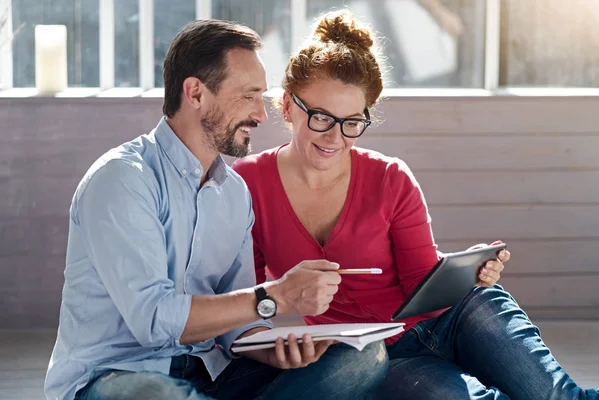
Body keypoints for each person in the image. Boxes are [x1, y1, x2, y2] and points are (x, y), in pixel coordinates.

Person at [232, 10, 599, 400]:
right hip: (379, 356)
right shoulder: (249, 183)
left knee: (558, 397)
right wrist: (272, 340)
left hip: (459, 317)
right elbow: (251, 297)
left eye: (352, 122)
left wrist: (463, 273)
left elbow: (420, 278)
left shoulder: (391, 177)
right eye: (321, 117)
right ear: (288, 106)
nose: (335, 137)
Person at [44, 19, 388, 400]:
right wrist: (277, 295)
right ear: (195, 93)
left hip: (210, 374)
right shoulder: (123, 179)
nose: (261, 114)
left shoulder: (233, 193)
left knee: (361, 357)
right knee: (154, 393)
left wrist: (276, 349)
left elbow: (236, 317)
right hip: (119, 376)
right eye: (248, 96)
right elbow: (155, 321)